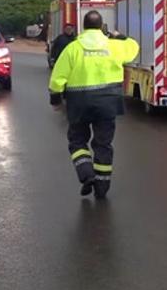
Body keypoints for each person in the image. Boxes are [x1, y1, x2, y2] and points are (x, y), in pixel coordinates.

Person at [49, 11, 139, 199]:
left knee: (77, 141)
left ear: (83, 26)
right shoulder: (114, 46)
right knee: (103, 144)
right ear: (101, 26)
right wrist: (119, 36)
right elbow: (133, 47)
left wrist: (55, 98)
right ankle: (102, 188)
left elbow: (58, 77)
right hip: (108, 102)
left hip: (79, 102)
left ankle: (86, 174)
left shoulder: (73, 48)